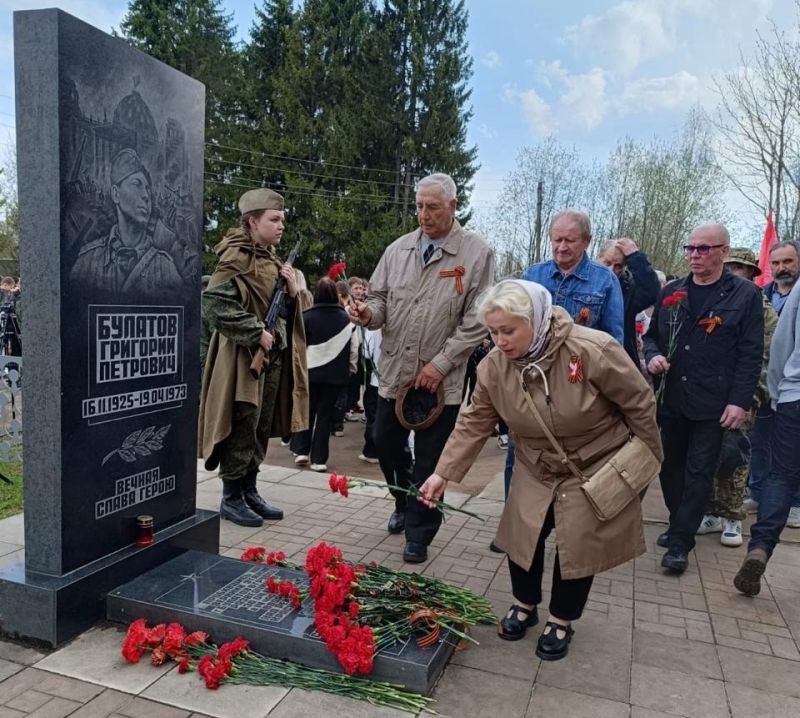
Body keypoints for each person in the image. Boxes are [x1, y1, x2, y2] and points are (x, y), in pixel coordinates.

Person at [418, 280, 661, 661]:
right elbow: (474, 421)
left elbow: (639, 403)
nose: (500, 340)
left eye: (508, 330)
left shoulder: (592, 349)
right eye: (493, 331)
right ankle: (524, 604)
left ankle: (562, 619)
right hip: (535, 463)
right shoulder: (493, 367)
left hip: (592, 465)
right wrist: (442, 474)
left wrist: (644, 464)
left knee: (577, 545)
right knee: (523, 536)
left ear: (535, 319)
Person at [349, 172, 495, 563]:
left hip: (439, 383)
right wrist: (367, 313)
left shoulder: (476, 254)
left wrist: (442, 363)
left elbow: (478, 319)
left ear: (453, 206)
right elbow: (379, 300)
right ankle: (403, 501)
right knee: (384, 443)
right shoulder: (398, 251)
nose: (423, 214)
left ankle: (420, 532)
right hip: (395, 374)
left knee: (432, 459)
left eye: (432, 207)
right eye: (418, 206)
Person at [644, 224, 763, 573]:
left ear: (723, 252)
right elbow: (651, 337)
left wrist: (740, 401)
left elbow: (750, 353)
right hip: (672, 399)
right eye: (690, 248)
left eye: (703, 248)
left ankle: (681, 541)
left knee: (699, 472)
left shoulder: (743, 295)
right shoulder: (672, 291)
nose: (695, 255)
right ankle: (679, 520)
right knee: (668, 468)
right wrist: (652, 357)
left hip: (714, 401)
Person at [198, 188, 308, 527]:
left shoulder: (273, 260)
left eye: (282, 220)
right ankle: (231, 496)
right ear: (252, 221)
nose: (281, 226)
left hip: (273, 356)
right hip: (242, 358)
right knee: (243, 422)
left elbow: (286, 312)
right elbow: (214, 305)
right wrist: (254, 331)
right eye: (274, 220)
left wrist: (292, 293)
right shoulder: (235, 258)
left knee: (261, 426)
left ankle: (250, 489)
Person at [697, 248, 777, 547]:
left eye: (739, 269)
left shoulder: (762, 308)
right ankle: (710, 512)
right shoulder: (714, 301)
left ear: (751, 274)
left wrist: (752, 397)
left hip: (744, 394)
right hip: (710, 393)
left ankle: (731, 516)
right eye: (728, 267)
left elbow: (767, 357)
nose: (732, 273)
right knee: (707, 453)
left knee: (735, 455)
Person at [734, 280, 800, 596]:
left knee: (781, 476)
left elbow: (782, 343)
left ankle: (760, 547)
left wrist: (776, 395)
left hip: (794, 395)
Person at [71, 148, 184, 297]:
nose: (145, 196)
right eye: (136, 184)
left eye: (148, 189)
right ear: (116, 194)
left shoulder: (165, 268)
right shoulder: (87, 261)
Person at [746, 239, 800, 527]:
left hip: (794, 384)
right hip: (763, 380)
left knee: (792, 446)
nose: (781, 268)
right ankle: (758, 491)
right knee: (760, 440)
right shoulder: (760, 295)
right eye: (776, 263)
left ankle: (795, 503)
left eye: (788, 262)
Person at [522, 210, 623, 343]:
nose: (562, 247)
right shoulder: (532, 276)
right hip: (538, 362)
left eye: (570, 240)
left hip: (584, 361)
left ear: (587, 241)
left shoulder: (606, 280)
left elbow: (613, 342)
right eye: (557, 240)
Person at [293, 277, 357, 472]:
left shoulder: (306, 317)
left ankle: (301, 451)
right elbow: (354, 348)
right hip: (335, 376)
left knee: (307, 411)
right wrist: (351, 370)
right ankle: (319, 459)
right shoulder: (347, 319)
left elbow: (297, 349)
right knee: (325, 415)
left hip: (309, 373)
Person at [597, 237, 660, 368]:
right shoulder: (582, 284)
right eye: (607, 263)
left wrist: (635, 257)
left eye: (618, 266)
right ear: (598, 258)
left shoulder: (627, 289)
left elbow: (651, 292)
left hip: (618, 362)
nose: (611, 270)